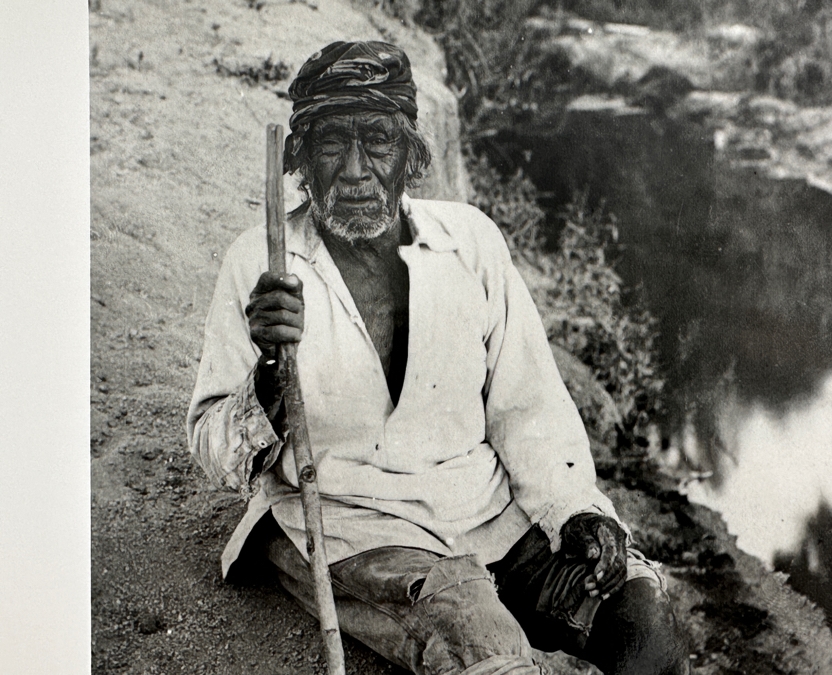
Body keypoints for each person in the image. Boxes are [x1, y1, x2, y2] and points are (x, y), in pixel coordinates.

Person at [187, 41, 689, 675]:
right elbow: (210, 444)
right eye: (331, 144)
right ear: (299, 158)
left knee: (643, 624)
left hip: (489, 514)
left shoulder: (470, 242)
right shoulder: (263, 264)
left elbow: (528, 404)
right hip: (361, 528)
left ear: (411, 156)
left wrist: (575, 510)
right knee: (489, 653)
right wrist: (268, 378)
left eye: (376, 141)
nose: (354, 169)